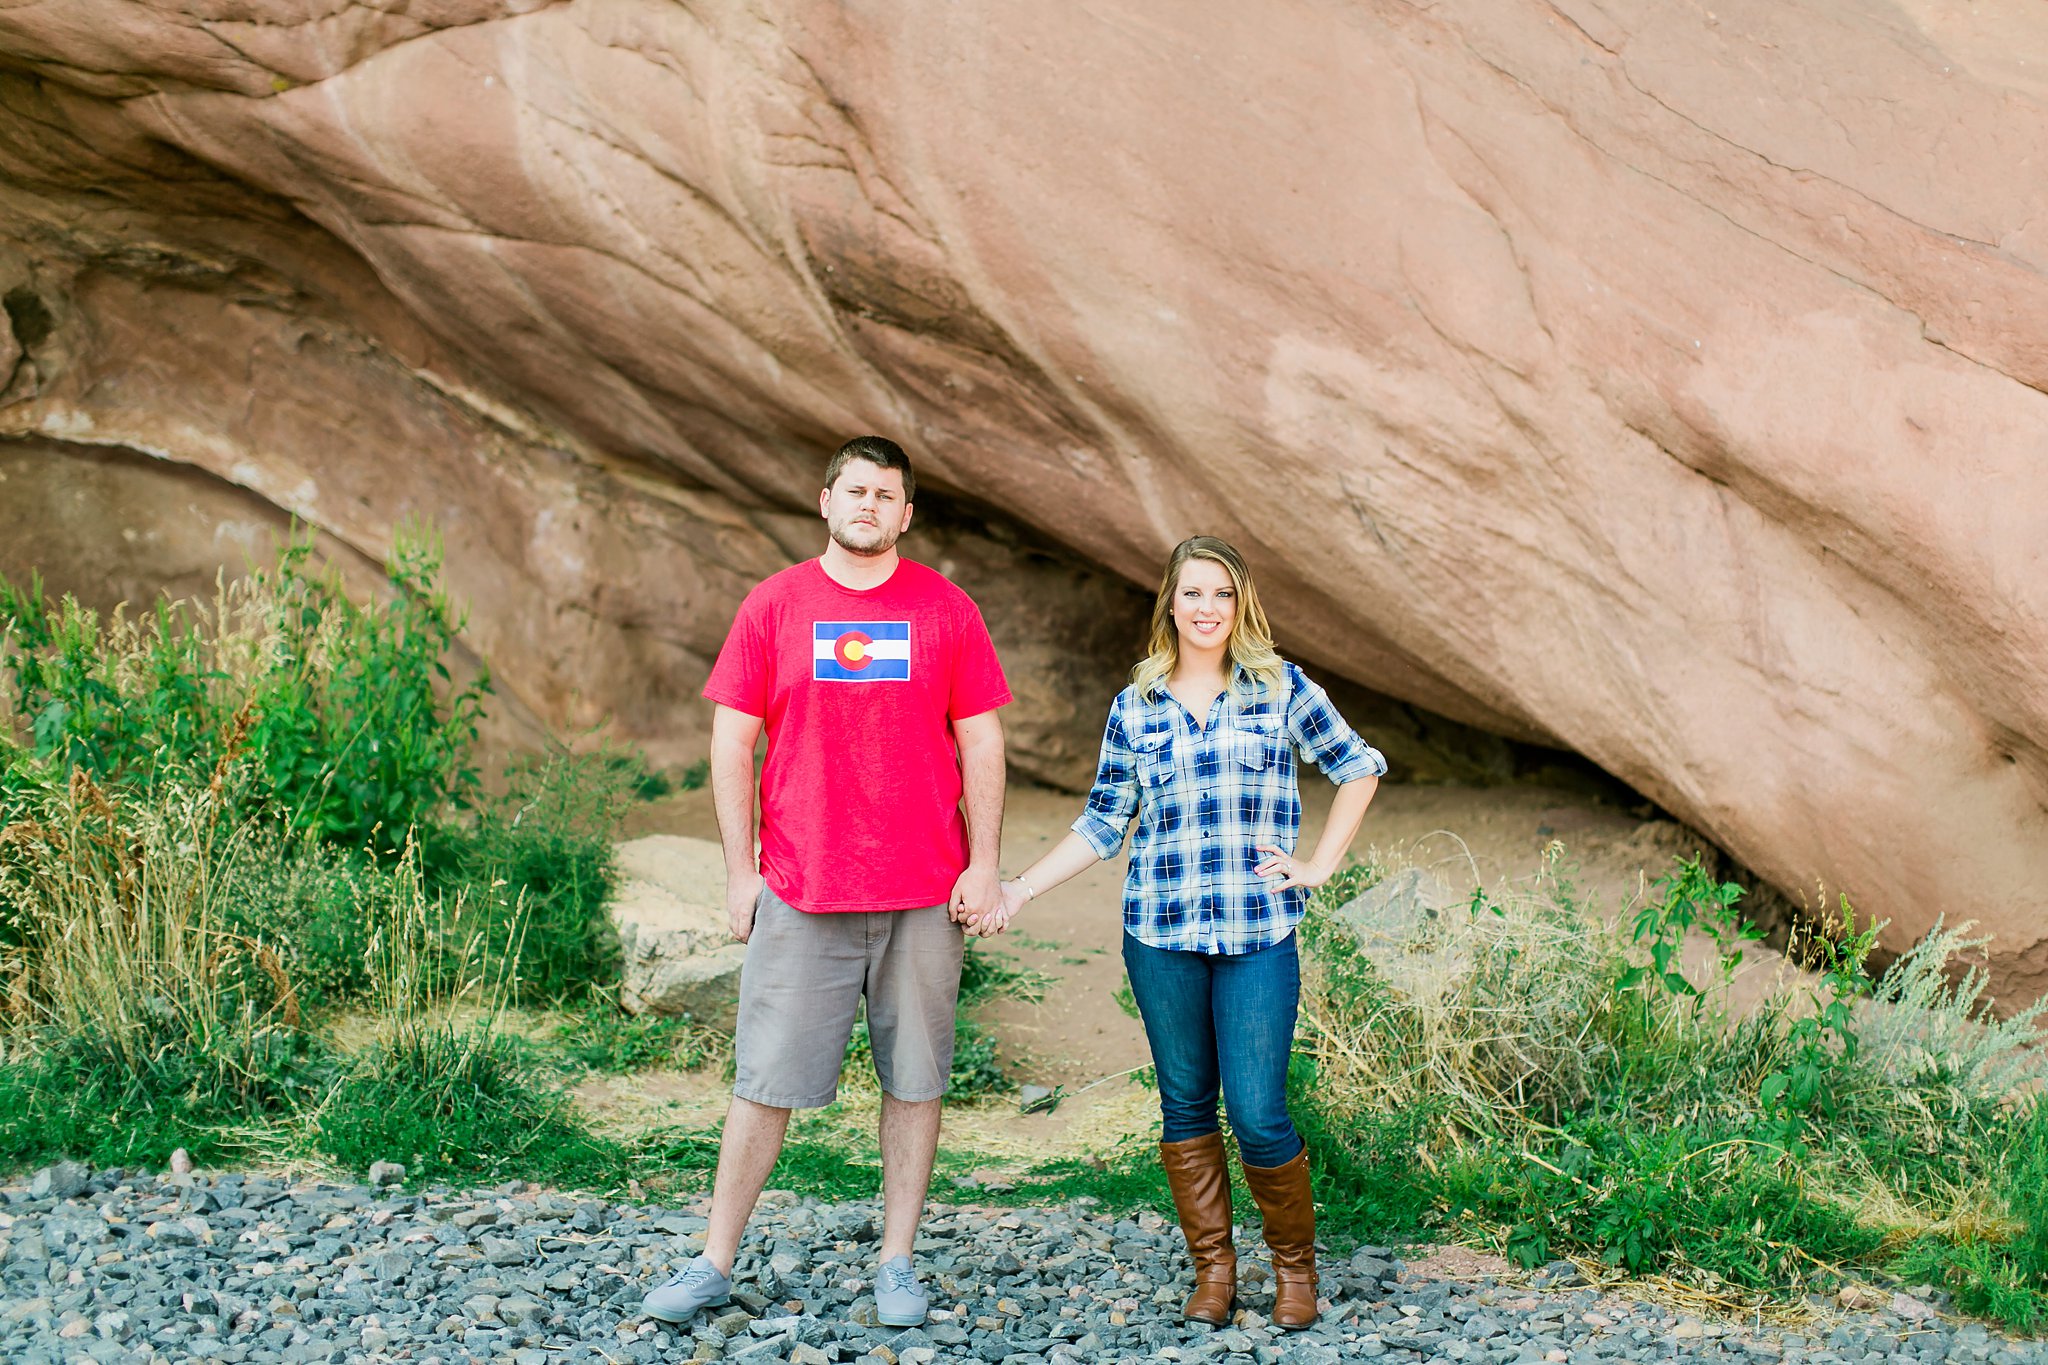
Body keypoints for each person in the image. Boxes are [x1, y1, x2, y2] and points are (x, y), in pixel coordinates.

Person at [966, 535, 1384, 1331]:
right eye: (1192, 593)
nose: (1206, 608)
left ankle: (1295, 1271)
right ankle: (1215, 1272)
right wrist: (1018, 888)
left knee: (1258, 1112)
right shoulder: (1138, 705)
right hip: (1159, 934)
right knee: (1186, 1106)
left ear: (1241, 604)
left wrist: (1319, 864)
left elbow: (1357, 765)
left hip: (1259, 931)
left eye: (1222, 594)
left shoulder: (1281, 687)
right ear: (1171, 603)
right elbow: (1103, 821)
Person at [643, 435, 1011, 1328]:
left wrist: (986, 862)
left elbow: (982, 738)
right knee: (763, 1080)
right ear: (825, 500)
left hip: (923, 889)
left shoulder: (946, 610)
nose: (870, 506)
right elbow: (733, 740)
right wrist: (741, 873)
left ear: (907, 514)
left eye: (887, 495)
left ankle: (896, 1263)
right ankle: (713, 1260)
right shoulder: (775, 605)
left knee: (916, 1079)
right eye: (856, 490)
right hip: (803, 889)